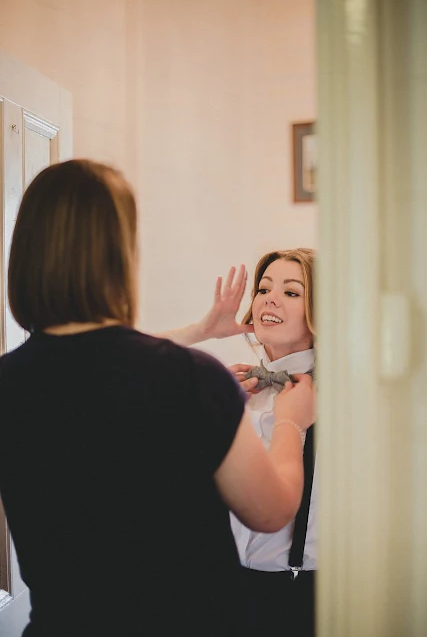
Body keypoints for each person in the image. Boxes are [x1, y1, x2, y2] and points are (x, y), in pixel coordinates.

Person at [0, 160, 315, 637]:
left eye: (291, 291)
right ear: (121, 257)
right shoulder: (194, 381)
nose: (272, 299)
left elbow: (89, 359)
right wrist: (291, 424)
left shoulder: (10, 384)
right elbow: (269, 512)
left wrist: (198, 332)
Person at [165, 248, 317, 637]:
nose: (269, 297)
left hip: (305, 594)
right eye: (264, 288)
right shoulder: (231, 391)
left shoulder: (346, 403)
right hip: (224, 585)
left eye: (292, 292)